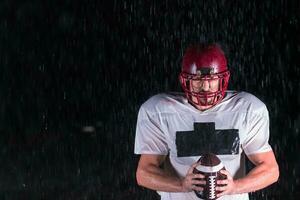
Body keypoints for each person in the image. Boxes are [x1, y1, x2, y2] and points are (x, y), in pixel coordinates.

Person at [134, 43, 279, 200]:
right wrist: (181, 185)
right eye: (197, 79)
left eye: (212, 79)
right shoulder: (159, 110)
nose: (205, 87)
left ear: (223, 79)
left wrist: (235, 187)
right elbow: (144, 173)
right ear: (184, 80)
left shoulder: (248, 110)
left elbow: (270, 170)